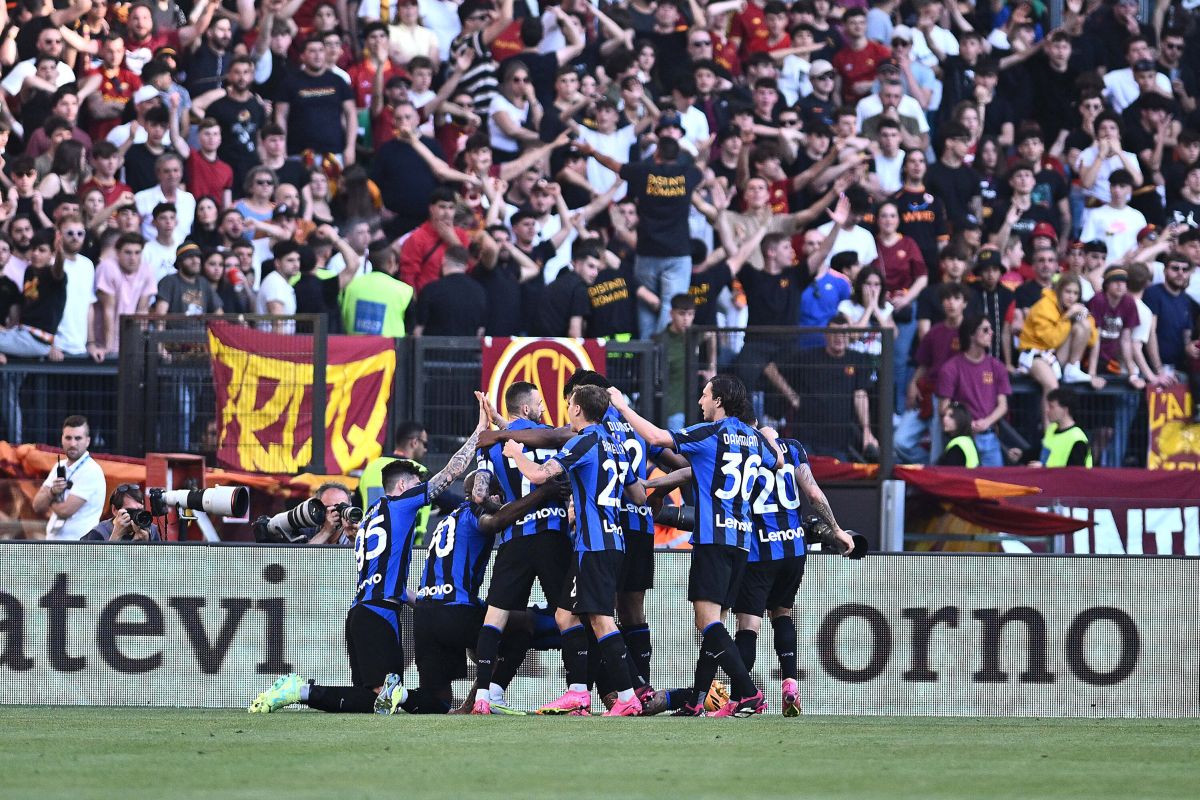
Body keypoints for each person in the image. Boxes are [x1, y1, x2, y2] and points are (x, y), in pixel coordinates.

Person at [248, 392, 488, 714]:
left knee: (372, 700)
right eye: (416, 482)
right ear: (402, 486)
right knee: (381, 698)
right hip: (379, 614)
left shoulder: (372, 515)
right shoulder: (401, 505)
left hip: (361, 611)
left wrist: (425, 603)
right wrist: (479, 433)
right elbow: (449, 474)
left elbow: (387, 576)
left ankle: (302, 691)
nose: (421, 487)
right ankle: (300, 690)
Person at [610, 376, 825, 716]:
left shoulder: (710, 433)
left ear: (720, 401)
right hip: (742, 542)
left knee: (706, 622)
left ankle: (748, 693)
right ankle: (697, 700)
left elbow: (656, 438)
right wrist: (768, 438)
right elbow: (779, 462)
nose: (701, 401)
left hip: (714, 539)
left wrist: (623, 407)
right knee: (717, 625)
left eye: (705, 395)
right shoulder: (755, 438)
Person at [502, 384, 645, 716]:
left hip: (596, 545)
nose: (567, 408)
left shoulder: (584, 440)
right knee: (564, 615)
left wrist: (516, 453)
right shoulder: (616, 443)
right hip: (610, 542)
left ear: (578, 409)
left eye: (569, 404)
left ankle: (627, 697)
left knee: (600, 620)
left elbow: (539, 475)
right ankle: (578, 693)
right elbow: (638, 494)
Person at [375, 470, 565, 715]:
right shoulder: (475, 511)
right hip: (456, 611)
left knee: (437, 701)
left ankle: (399, 694)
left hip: (425, 616)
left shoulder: (448, 519)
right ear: (490, 495)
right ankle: (490, 697)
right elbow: (494, 523)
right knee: (521, 624)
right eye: (501, 494)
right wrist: (542, 493)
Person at [466, 382, 571, 713]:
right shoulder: (553, 437)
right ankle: (578, 692)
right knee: (570, 618)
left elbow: (479, 495)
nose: (543, 408)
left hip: (515, 539)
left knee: (494, 618)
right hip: (554, 535)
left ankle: (483, 696)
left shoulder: (493, 445)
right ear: (526, 409)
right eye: (539, 403)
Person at [578, 136, 702, 338]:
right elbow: (700, 165)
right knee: (670, 306)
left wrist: (592, 152)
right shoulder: (689, 174)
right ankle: (661, 353)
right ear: (677, 155)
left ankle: (648, 353)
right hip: (677, 252)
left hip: (647, 252)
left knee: (645, 308)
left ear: (657, 153)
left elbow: (613, 164)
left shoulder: (644, 171)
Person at [936, 315, 1013, 467]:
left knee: (995, 481)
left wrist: (987, 422)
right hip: (963, 439)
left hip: (990, 435)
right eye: (985, 330)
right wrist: (966, 423)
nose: (991, 333)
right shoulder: (951, 368)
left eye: (991, 329)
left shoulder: (997, 366)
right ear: (971, 334)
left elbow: (1003, 405)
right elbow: (943, 407)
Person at [32, 416, 107, 541]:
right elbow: (37, 505)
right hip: (53, 543)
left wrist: (49, 497)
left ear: (87, 441)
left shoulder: (91, 470)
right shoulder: (59, 466)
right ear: (62, 439)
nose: (72, 444)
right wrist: (52, 492)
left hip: (80, 545)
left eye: (78, 438)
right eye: (68, 438)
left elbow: (65, 510)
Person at [341, 240, 414, 337]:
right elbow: (411, 330)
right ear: (391, 261)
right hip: (391, 347)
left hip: (354, 346)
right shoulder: (405, 291)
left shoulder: (350, 286)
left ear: (368, 260)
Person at [413, 245, 488, 337]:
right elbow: (480, 331)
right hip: (468, 346)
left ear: (443, 260)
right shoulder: (479, 291)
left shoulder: (430, 290)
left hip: (436, 346)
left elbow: (418, 330)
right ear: (466, 266)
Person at [81, 483, 162, 542]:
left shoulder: (151, 531)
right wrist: (116, 536)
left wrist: (145, 546)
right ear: (114, 510)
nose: (136, 515)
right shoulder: (99, 533)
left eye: (140, 510)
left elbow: (158, 560)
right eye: (131, 511)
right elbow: (95, 561)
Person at [1035, 388, 1093, 467]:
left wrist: (1043, 468)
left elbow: (1075, 472)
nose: (1047, 410)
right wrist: (1022, 454)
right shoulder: (1052, 429)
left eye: (1051, 407)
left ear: (1065, 410)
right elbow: (1043, 452)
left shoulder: (1077, 439)